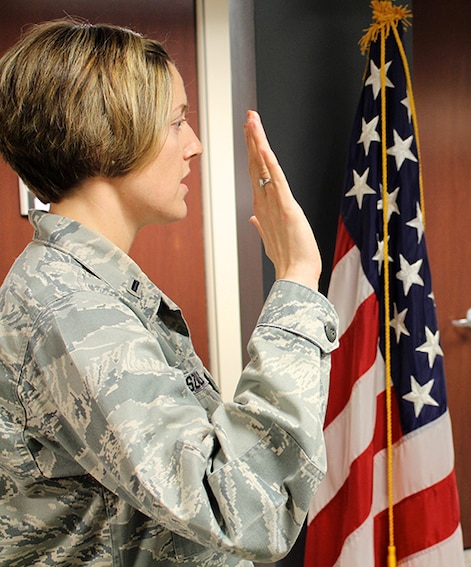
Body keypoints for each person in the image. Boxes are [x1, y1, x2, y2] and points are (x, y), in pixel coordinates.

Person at [0, 19, 338, 566]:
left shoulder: (83, 286)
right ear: (108, 134)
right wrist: (297, 276)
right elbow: (247, 507)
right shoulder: (70, 308)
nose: (195, 145)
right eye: (177, 122)